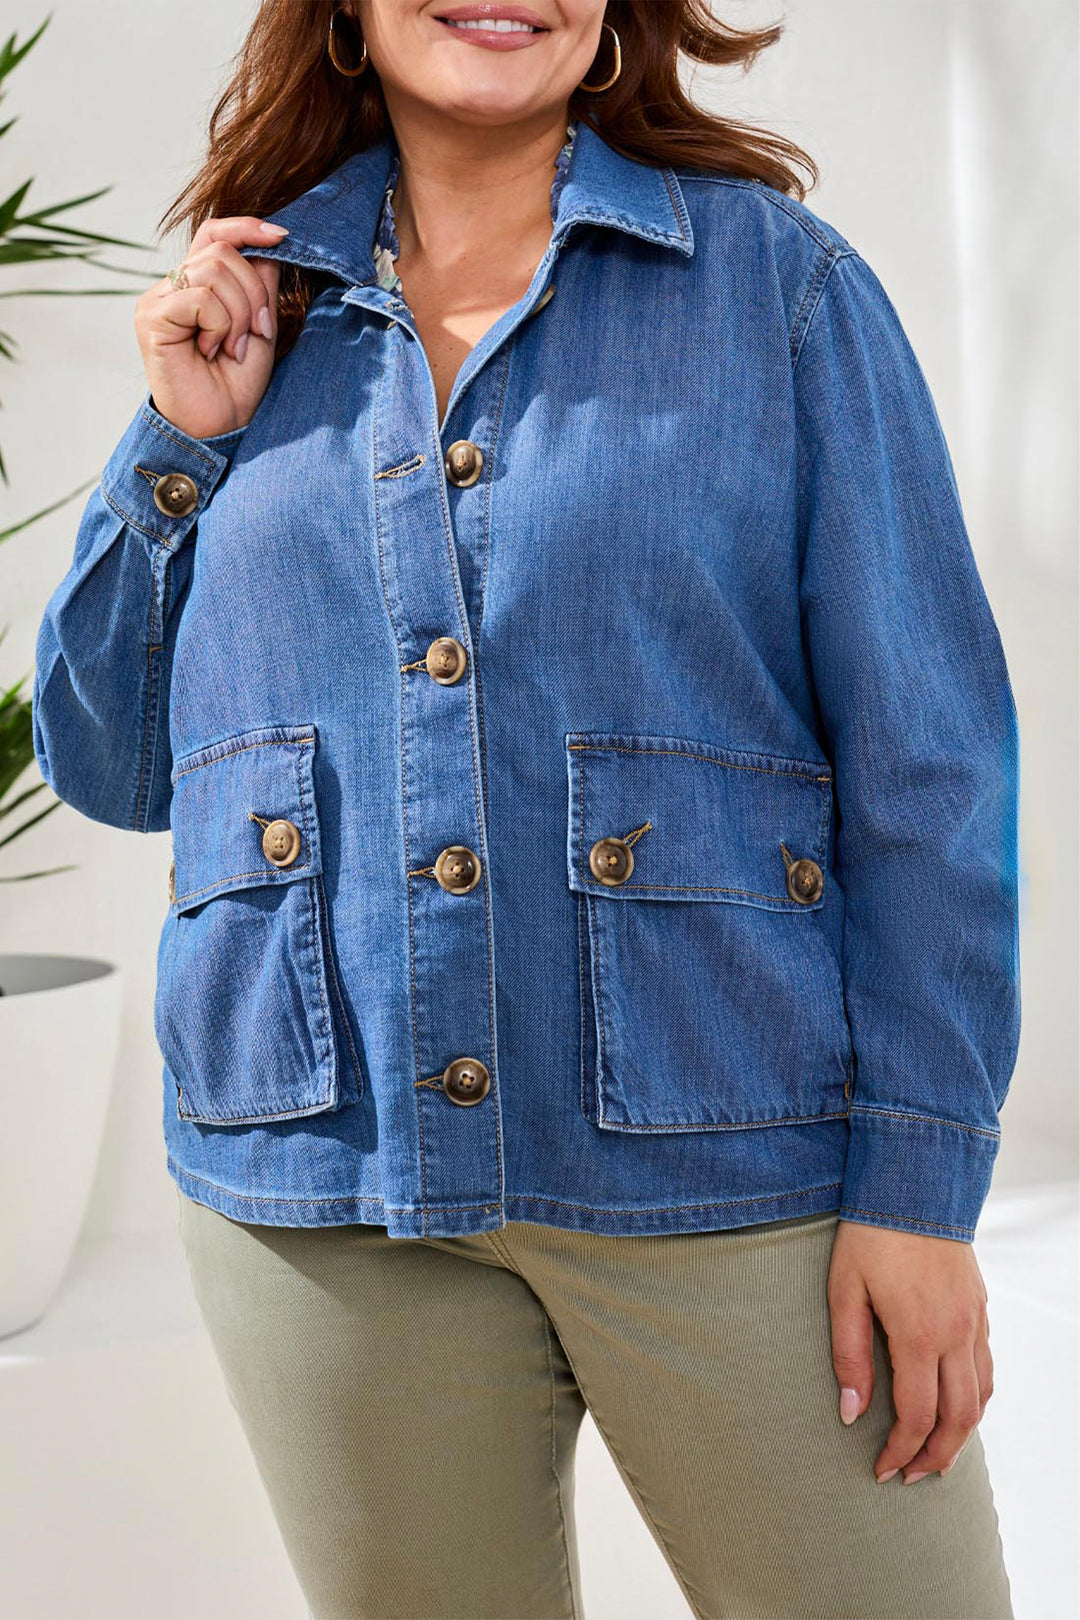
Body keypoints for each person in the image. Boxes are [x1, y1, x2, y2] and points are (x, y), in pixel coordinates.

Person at [31, 2, 1021, 1616]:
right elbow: (109, 766)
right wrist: (178, 444)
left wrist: (919, 1185)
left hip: (726, 1152)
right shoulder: (247, 316)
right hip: (323, 1188)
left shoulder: (780, 290)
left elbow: (933, 759)